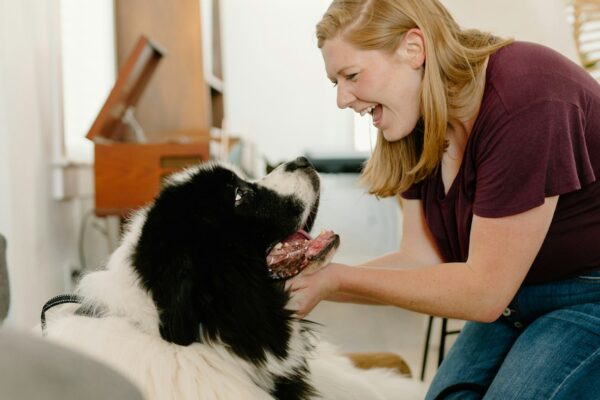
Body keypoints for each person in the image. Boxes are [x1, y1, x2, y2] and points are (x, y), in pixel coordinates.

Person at [286, 0, 600, 398]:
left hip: (587, 292)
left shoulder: (529, 98)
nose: (343, 99)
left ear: (413, 49)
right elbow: (422, 257)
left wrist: (336, 280)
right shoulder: (419, 122)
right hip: (515, 298)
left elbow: (484, 293)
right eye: (337, 82)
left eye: (352, 75)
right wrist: (314, 283)